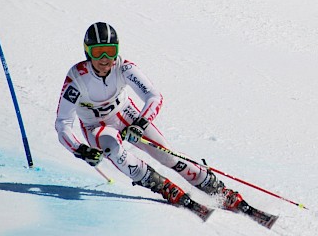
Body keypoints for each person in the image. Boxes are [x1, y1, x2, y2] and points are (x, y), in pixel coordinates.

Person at [55, 22, 243, 209]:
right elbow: (63, 122)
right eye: (98, 52)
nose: (105, 58)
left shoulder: (124, 68)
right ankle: (162, 186)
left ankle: (216, 188)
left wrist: (140, 124)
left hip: (126, 116)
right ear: (87, 52)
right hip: (95, 127)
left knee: (166, 154)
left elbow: (154, 96)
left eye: (110, 51)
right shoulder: (77, 78)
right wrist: (79, 149)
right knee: (113, 149)